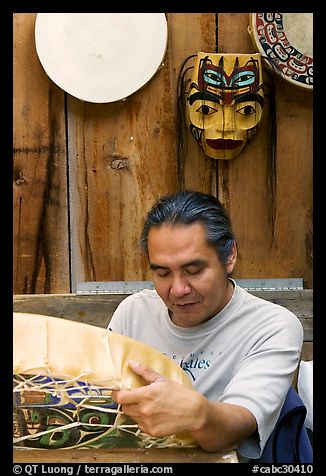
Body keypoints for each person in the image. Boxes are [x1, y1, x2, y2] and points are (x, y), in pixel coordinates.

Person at [109, 190, 303, 460]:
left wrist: (195, 412)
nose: (177, 289)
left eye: (193, 271)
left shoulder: (272, 326)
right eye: (162, 273)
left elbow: (239, 423)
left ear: (230, 256)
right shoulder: (133, 313)